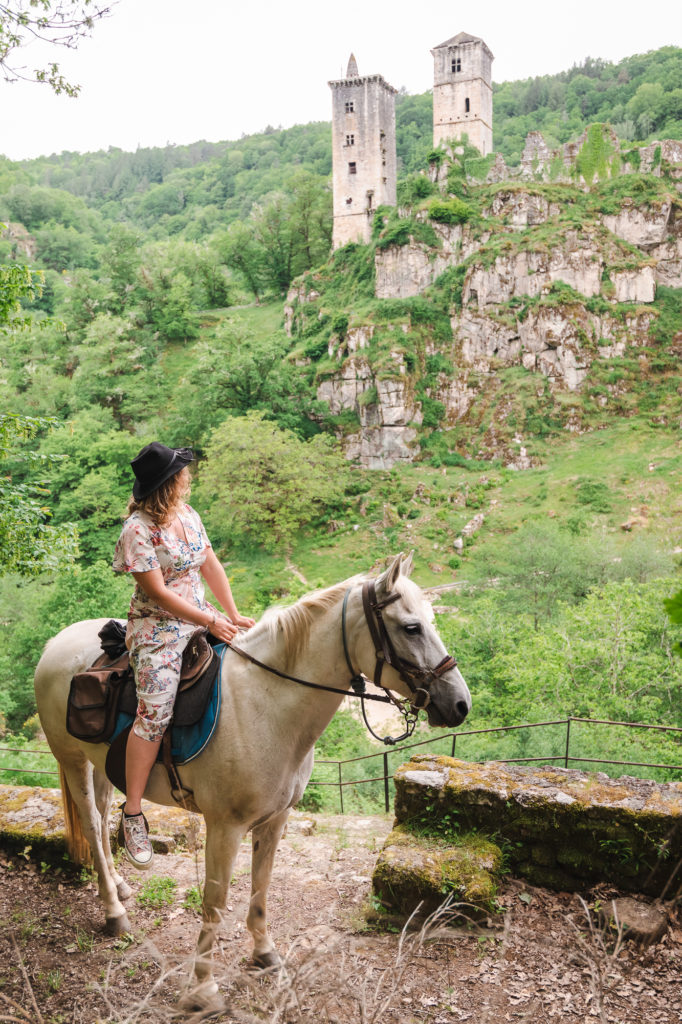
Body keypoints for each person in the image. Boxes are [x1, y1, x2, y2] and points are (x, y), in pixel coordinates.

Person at [112, 442, 254, 868]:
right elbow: (156, 592)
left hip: (201, 615)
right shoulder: (136, 530)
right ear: (167, 484)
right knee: (153, 712)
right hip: (157, 627)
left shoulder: (189, 516)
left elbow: (210, 565)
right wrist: (210, 623)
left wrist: (231, 614)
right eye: (181, 473)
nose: (187, 477)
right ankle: (133, 812)